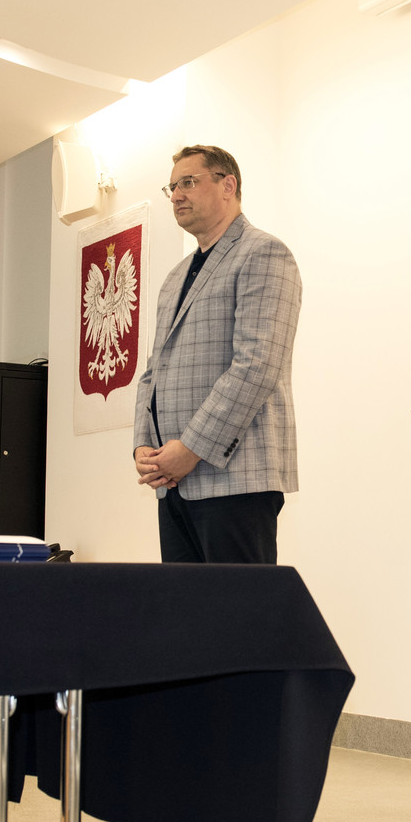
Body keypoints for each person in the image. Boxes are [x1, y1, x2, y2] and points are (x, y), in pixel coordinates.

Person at [132, 145, 301, 563]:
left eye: (188, 182)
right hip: (173, 485)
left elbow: (257, 365)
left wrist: (189, 450)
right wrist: (144, 446)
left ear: (228, 186)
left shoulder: (264, 253)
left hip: (236, 480)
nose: (176, 195)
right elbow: (154, 371)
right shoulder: (175, 277)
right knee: (185, 606)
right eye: (172, 187)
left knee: (240, 605)